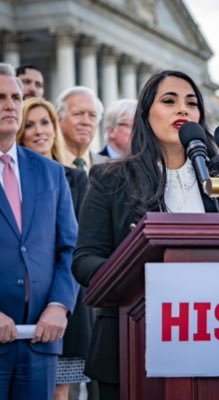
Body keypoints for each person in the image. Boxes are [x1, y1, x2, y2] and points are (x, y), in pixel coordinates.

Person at [72, 70, 219, 399]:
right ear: (145, 114)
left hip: (217, 339)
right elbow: (85, 260)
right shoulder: (111, 179)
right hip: (130, 344)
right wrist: (140, 280)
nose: (182, 110)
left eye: (191, 103)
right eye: (169, 101)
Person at [0, 64, 77, 399]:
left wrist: (60, 305)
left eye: (16, 97)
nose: (10, 105)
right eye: (0, 97)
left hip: (41, 342)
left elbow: (70, 248)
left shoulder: (51, 173)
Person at [15, 97, 94, 400]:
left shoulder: (75, 178)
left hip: (66, 304)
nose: (39, 131)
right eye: (30, 124)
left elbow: (77, 242)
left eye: (45, 122)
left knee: (61, 393)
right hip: (21, 306)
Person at [56, 86, 107, 173]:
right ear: (59, 119)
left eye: (92, 115)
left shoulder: (108, 167)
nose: (86, 122)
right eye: (78, 114)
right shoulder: (47, 165)